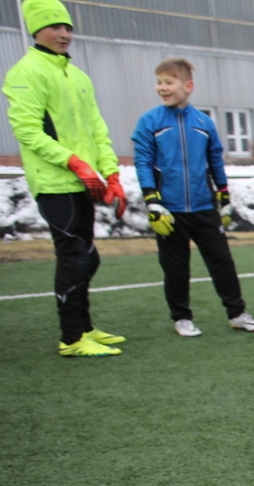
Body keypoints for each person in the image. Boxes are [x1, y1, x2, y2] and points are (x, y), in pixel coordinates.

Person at [3, 0, 128, 357]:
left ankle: (85, 326)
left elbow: (97, 130)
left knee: (87, 256)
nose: (64, 34)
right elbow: (28, 132)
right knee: (74, 256)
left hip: (83, 182)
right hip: (55, 182)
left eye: (68, 27)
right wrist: (74, 162)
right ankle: (72, 338)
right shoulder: (25, 72)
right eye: (56, 27)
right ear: (37, 29)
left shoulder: (78, 76)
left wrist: (111, 172)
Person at [132, 58, 254, 337]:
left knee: (223, 262)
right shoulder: (149, 121)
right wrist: (152, 200)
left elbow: (215, 160)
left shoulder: (204, 123)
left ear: (188, 85)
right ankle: (181, 318)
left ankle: (237, 313)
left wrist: (224, 194)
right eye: (159, 82)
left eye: (169, 82)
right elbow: (143, 162)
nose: (162, 88)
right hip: (169, 210)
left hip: (204, 207)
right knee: (176, 267)